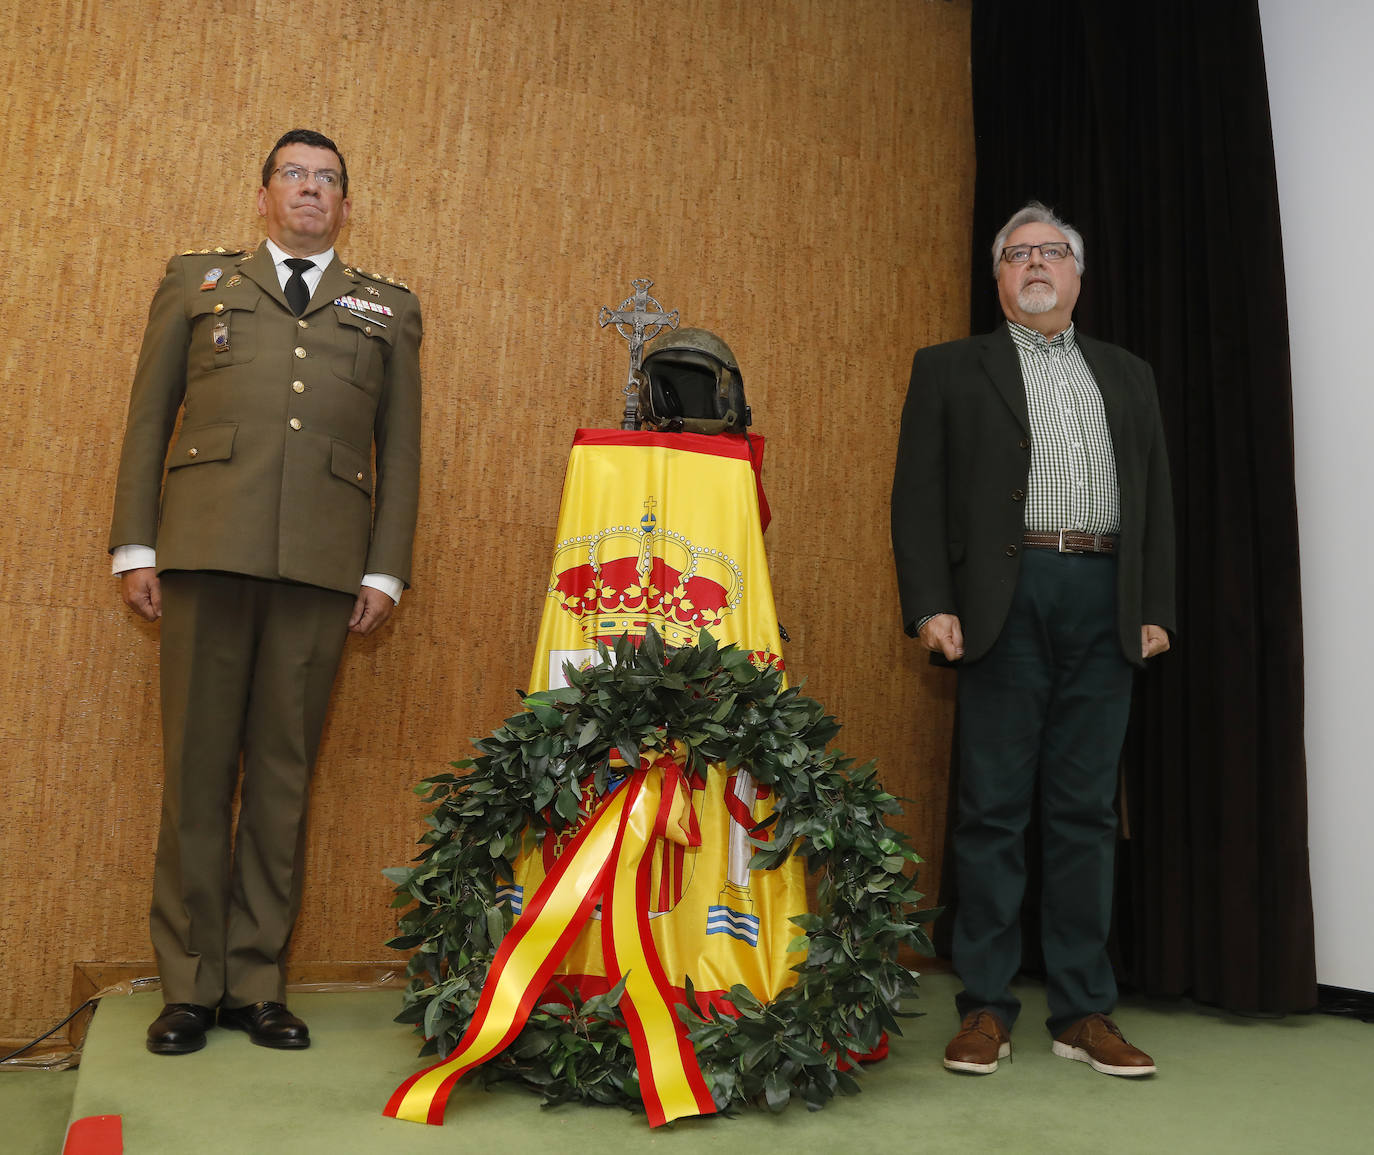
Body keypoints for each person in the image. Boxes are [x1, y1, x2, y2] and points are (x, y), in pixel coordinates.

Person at [109, 129, 422, 1055]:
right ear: (264, 195)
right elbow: (147, 417)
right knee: (197, 774)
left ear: (346, 205)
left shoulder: (386, 309)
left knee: (283, 780)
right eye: (294, 174)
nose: (311, 190)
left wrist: (383, 567)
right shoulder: (197, 284)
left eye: (328, 180)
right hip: (203, 550)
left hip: (322, 569)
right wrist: (136, 544)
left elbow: (398, 448)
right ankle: (188, 988)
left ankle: (256, 982)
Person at [891, 201, 1175, 1078]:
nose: (1036, 264)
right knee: (992, 811)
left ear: (1079, 275)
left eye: (1053, 252)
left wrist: (1154, 603)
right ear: (999, 277)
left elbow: (1156, 495)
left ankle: (1084, 1010)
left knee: (1087, 813)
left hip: (1104, 595)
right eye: (1018, 255)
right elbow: (916, 494)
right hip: (1000, 602)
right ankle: (984, 1005)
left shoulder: (1129, 374)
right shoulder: (948, 368)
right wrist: (931, 601)